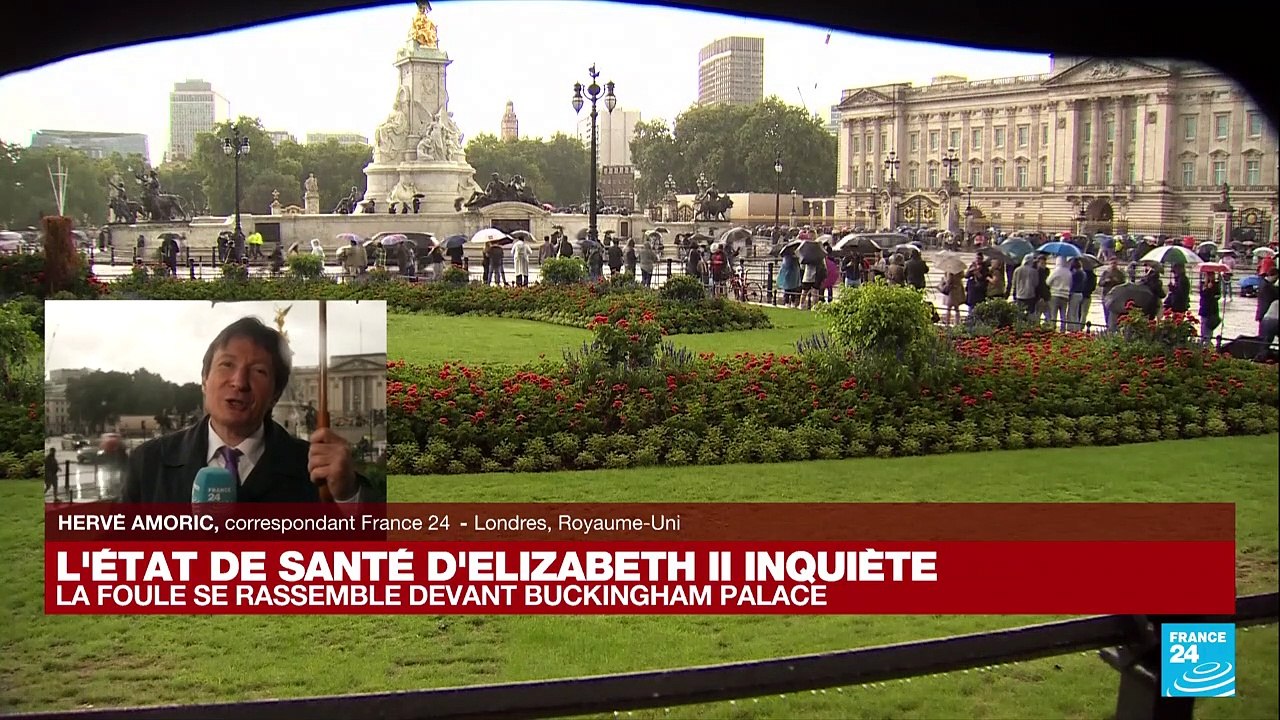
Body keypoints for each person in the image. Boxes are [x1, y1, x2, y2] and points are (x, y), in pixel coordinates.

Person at [120, 317, 373, 503]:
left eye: (258, 371)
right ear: (204, 380)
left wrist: (348, 498)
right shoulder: (149, 462)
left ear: (275, 394)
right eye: (227, 364)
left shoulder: (317, 472)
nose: (239, 382)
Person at [1199, 273, 1222, 344]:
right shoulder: (1203, 285)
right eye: (1208, 275)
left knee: (1208, 332)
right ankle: (1203, 346)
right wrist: (1206, 288)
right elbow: (1203, 295)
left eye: (1211, 275)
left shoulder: (1215, 285)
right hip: (1204, 310)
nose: (1209, 277)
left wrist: (1209, 289)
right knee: (1203, 331)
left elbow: (1217, 296)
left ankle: (1207, 347)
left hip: (1211, 312)